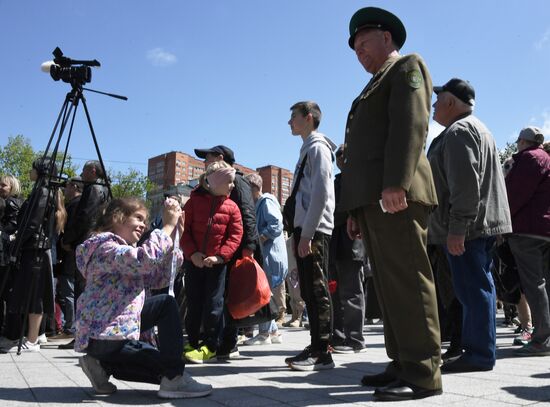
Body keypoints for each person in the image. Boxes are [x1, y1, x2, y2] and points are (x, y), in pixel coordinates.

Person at [339, 7, 442, 401]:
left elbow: (411, 125)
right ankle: (402, 362)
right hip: (375, 202)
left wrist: (396, 183)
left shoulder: (406, 67)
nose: (359, 53)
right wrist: (355, 210)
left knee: (409, 281)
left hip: (398, 194)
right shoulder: (371, 86)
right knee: (389, 286)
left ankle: (423, 373)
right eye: (355, 50)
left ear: (386, 37)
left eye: (364, 44)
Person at [75, 196, 212, 399]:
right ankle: (174, 379)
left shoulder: (119, 251)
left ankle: (101, 365)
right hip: (107, 336)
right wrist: (166, 227)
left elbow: (158, 278)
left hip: (109, 337)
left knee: (159, 366)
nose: (143, 225)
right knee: (166, 306)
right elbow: (145, 260)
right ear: (117, 217)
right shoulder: (105, 248)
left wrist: (175, 238)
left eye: (145, 221)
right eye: (138, 218)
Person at [429, 78, 512, 372]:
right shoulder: (477, 128)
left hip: (469, 228)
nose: (434, 105)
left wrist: (457, 229)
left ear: (452, 102)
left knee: (473, 290)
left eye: (439, 99)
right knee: (477, 287)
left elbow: (465, 185)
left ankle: (478, 354)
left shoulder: (458, 131)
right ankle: (477, 350)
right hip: (480, 225)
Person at [193, 145, 260, 359]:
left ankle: (228, 342)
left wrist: (249, 248)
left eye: (208, 157)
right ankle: (220, 340)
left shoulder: (237, 182)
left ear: (220, 158)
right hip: (218, 252)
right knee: (217, 297)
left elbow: (248, 214)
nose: (205, 161)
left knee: (228, 297)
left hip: (233, 251)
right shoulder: (209, 187)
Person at [283, 100, 336, 371]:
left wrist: (309, 233)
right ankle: (316, 344)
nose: (289, 122)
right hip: (306, 229)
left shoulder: (318, 148)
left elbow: (321, 192)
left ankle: (323, 350)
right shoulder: (308, 149)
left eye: (293, 116)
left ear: (309, 117)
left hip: (314, 230)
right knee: (308, 288)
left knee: (316, 289)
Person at [181, 161, 243, 363]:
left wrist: (220, 257)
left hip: (217, 265)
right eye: (229, 182)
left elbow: (235, 236)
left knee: (214, 305)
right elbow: (184, 231)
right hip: (194, 263)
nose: (233, 186)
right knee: (193, 302)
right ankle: (193, 341)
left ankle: (211, 345)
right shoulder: (193, 203)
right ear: (214, 183)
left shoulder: (232, 207)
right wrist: (192, 254)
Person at [3, 158, 66, 353]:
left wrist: (17, 242)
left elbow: (32, 222)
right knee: (31, 292)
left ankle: (32, 339)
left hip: (36, 248)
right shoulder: (43, 190)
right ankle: (31, 336)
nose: (30, 172)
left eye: (32, 168)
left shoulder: (43, 191)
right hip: (34, 247)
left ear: (40, 171)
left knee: (36, 293)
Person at [505, 126, 550, 356]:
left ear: (523, 141)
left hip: (527, 230)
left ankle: (542, 340)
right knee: (544, 283)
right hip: (545, 230)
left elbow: (514, 195)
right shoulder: (547, 159)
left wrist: (502, 223)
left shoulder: (528, 158)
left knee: (534, 285)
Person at [61, 160, 109, 349]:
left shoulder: (93, 189)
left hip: (85, 243)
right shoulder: (103, 189)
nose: (81, 174)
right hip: (92, 243)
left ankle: (82, 335)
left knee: (83, 290)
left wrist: (69, 240)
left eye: (84, 170)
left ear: (93, 170)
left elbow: (84, 218)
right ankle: (86, 334)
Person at [329, 145, 366, 354]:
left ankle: (355, 339)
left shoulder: (358, 180)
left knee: (352, 293)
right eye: (338, 157)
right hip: (336, 244)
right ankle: (339, 336)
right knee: (335, 292)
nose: (341, 159)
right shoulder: (337, 181)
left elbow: (344, 210)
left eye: (344, 155)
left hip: (352, 244)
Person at [243, 173, 286, 345]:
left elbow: (276, 224)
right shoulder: (259, 203)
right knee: (264, 292)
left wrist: (259, 239)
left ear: (254, 188)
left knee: (263, 293)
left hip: (271, 256)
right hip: (269, 256)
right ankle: (274, 331)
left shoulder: (266, 201)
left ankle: (264, 334)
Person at [50, 177, 84, 339]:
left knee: (68, 291)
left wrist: (66, 242)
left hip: (70, 253)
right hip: (67, 253)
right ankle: (68, 325)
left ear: (75, 187)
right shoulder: (74, 204)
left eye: (68, 186)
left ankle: (70, 327)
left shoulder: (76, 204)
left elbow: (74, 227)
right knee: (65, 291)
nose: (65, 190)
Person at [0, 174, 23, 347]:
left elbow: (12, 225)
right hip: (10, 253)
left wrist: (3, 234)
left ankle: (6, 329)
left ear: (12, 187)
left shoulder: (10, 203)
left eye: (4, 185)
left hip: (6, 253)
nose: (0, 188)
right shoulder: (15, 202)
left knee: (4, 293)